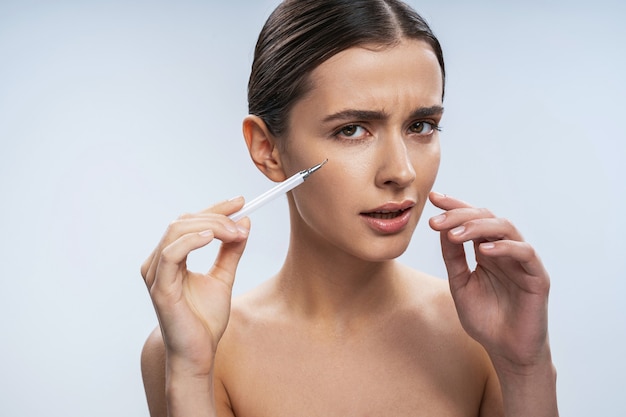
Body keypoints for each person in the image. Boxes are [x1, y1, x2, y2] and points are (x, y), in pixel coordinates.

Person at [140, 0, 559, 416]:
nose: (401, 171)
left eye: (421, 126)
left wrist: (526, 368)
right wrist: (191, 372)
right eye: (352, 130)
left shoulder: (484, 335)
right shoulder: (198, 348)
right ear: (267, 150)